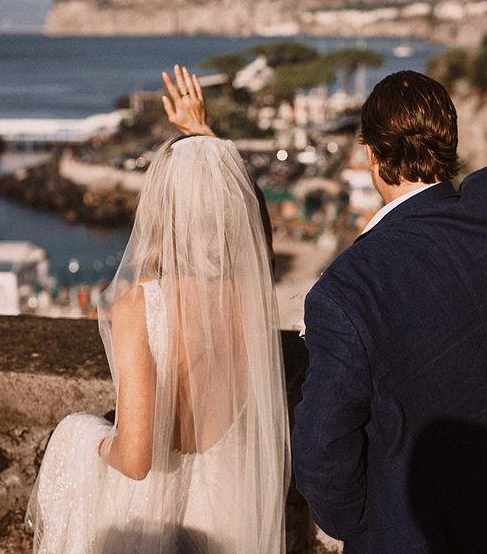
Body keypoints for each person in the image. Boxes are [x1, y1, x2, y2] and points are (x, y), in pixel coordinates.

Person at [292, 50, 487, 551]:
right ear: (449, 142)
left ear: (370, 154)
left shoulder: (344, 291)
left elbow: (323, 453)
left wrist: (370, 528)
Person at [26, 66, 290, 553]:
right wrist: (207, 139)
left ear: (160, 207)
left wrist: (86, 442)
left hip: (159, 526)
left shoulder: (141, 306)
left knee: (77, 430)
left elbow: (137, 458)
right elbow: (257, 234)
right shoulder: (248, 295)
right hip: (228, 512)